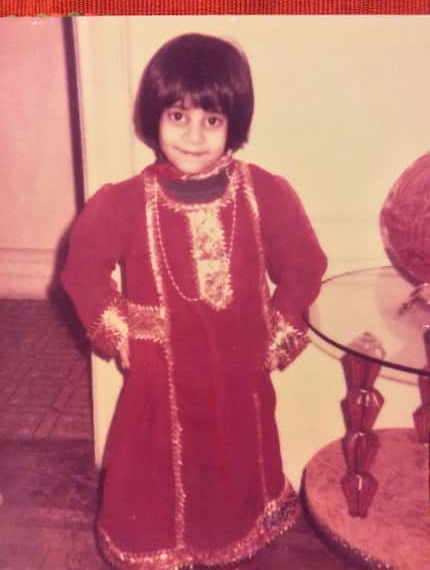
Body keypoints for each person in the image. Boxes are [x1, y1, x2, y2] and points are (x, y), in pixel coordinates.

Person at [61, 32, 327, 570]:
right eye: (178, 115)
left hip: (238, 376)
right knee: (155, 470)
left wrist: (277, 335)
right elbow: (83, 270)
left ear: (236, 124)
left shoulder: (264, 194)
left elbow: (303, 265)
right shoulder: (125, 203)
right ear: (153, 117)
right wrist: (120, 332)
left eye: (213, 119)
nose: (194, 135)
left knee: (232, 468)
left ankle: (230, 541)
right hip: (161, 377)